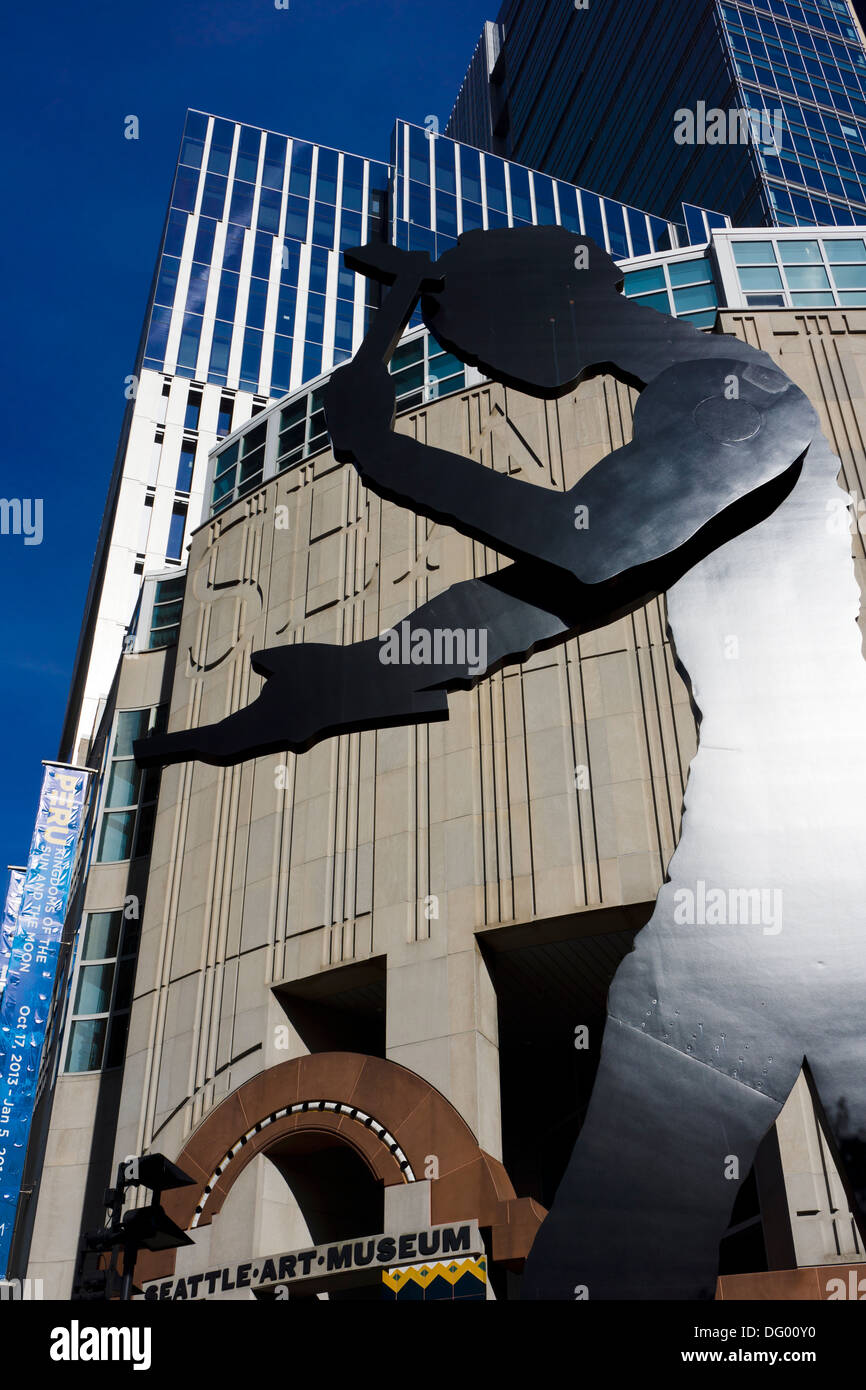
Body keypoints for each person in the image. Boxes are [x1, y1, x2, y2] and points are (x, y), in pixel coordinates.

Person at [136, 227, 866, 1298]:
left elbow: (590, 541)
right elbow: (519, 605)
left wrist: (387, 458)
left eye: (475, 337)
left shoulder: (735, 394)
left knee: (629, 1198)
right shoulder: (690, 410)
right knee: (630, 1199)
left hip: (810, 837)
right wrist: (344, 682)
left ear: (548, 306)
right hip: (768, 848)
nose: (488, 368)